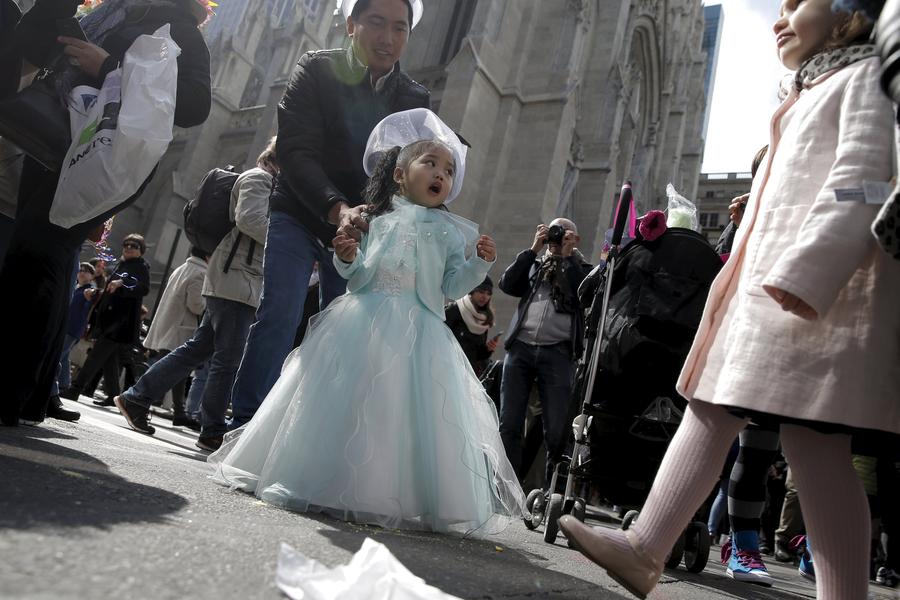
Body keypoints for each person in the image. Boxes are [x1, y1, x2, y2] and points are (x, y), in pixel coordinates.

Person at [559, 4, 899, 600]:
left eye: (798, 3)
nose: (780, 16)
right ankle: (645, 548)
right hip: (764, 298)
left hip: (815, 301)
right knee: (725, 411)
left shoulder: (863, 82)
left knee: (799, 441)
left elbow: (865, 184)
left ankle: (651, 549)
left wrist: (810, 273)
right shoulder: (805, 92)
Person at [209, 109, 525, 536]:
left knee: (398, 409)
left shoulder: (450, 233)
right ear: (399, 173)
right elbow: (358, 277)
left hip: (422, 331)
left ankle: (381, 490)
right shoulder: (374, 220)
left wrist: (476, 263)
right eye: (429, 162)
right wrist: (347, 256)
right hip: (364, 317)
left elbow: (450, 287)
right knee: (345, 398)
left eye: (449, 170)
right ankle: (320, 477)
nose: (440, 174)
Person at [0, 0, 211, 427]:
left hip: (104, 158)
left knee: (37, 252)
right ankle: (31, 391)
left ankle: (12, 387)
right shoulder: (112, 14)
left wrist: (110, 66)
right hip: (57, 142)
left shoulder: (180, 29)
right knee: (48, 257)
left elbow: (194, 104)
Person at [226, 0, 430, 430]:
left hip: (358, 229)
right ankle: (243, 423)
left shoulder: (415, 98)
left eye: (399, 28)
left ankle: (310, 433)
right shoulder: (316, 69)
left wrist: (374, 217)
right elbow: (296, 151)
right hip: (301, 209)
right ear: (352, 24)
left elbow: (404, 175)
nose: (388, 38)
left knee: (343, 327)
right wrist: (337, 207)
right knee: (279, 311)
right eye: (377, 23)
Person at [115, 140, 277, 450]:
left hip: (239, 279)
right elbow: (250, 220)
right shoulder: (259, 178)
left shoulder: (270, 183)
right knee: (227, 360)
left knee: (198, 350)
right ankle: (212, 428)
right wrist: (287, 238)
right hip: (235, 280)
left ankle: (136, 397)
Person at [497, 218, 592, 485]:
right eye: (554, 230)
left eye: (563, 232)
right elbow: (507, 284)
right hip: (521, 349)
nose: (558, 235)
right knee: (509, 424)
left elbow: (583, 294)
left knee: (556, 431)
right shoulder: (534, 264)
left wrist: (568, 257)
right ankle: (506, 489)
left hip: (558, 355)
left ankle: (554, 494)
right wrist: (532, 249)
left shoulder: (582, 268)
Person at [63, 234, 151, 404]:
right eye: (126, 244)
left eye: (134, 246)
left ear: (141, 250)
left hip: (120, 323)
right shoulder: (122, 264)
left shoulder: (141, 267)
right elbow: (109, 291)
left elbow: (143, 288)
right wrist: (97, 294)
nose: (129, 247)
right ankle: (113, 396)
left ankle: (75, 389)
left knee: (95, 356)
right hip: (109, 320)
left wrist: (122, 282)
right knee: (110, 360)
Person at [142, 246, 208, 428]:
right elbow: (196, 306)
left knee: (177, 372)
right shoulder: (201, 273)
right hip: (180, 329)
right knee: (167, 370)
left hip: (169, 326)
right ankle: (139, 400)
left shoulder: (182, 268)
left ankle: (179, 412)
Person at [443, 276, 499, 378]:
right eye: (481, 292)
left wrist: (488, 349)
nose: (485, 297)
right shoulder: (455, 309)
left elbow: (477, 355)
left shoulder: (483, 319)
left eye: (488, 293)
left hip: (470, 374)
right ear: (472, 291)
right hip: (450, 368)